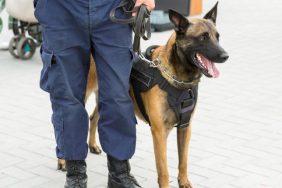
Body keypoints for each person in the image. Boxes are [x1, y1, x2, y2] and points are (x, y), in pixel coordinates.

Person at [34, 0, 155, 187]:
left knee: (117, 95)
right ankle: (75, 176)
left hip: (114, 6)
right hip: (60, 8)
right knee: (67, 98)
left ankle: (119, 174)